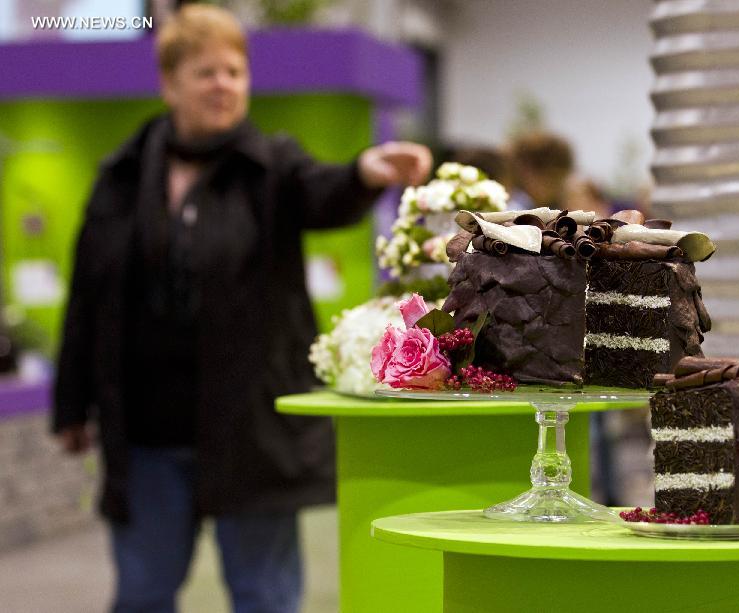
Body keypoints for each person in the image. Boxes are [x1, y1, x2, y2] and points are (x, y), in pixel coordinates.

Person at [51, 5, 431, 613]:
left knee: (264, 597)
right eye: (206, 72)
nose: (223, 84)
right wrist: (71, 402)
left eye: (235, 71)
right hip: (148, 434)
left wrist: (366, 172)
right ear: (169, 84)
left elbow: (323, 193)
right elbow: (89, 294)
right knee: (143, 594)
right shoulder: (120, 176)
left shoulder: (272, 165)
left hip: (251, 432)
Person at [507, 131, 574, 210]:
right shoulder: (514, 205)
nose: (557, 188)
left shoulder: (552, 205)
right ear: (528, 171)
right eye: (552, 179)